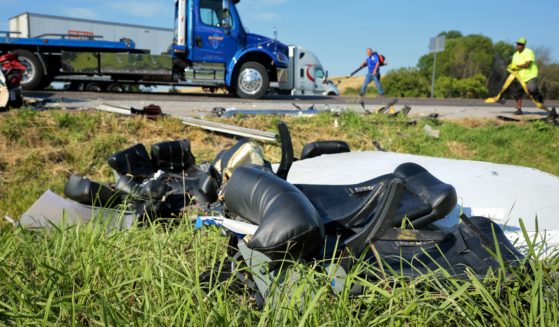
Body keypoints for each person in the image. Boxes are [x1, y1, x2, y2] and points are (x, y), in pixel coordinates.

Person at [509, 37, 544, 115]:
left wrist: (516, 66)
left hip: (531, 75)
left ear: (524, 45)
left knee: (531, 89)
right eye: (517, 44)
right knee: (517, 93)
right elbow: (514, 66)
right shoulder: (515, 55)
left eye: (520, 44)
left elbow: (527, 65)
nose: (518, 46)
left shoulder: (529, 52)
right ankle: (519, 109)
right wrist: (511, 67)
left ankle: (539, 97)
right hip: (520, 77)